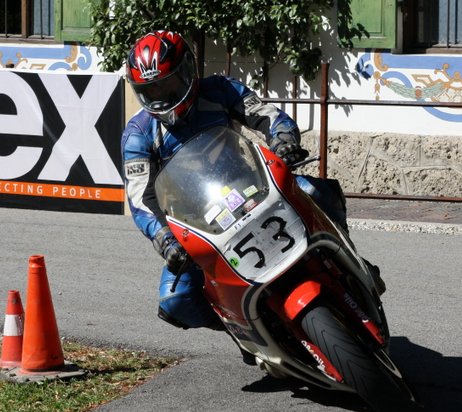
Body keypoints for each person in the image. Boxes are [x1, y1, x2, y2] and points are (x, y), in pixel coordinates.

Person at [122, 30, 384, 335]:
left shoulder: (220, 90)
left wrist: (283, 140)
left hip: (252, 187)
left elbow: (266, 114)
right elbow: (140, 198)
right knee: (175, 300)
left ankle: (349, 259)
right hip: (196, 222)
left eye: (168, 84)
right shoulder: (138, 134)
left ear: (188, 71)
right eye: (152, 90)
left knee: (317, 191)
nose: (162, 96)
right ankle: (246, 331)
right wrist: (165, 239)